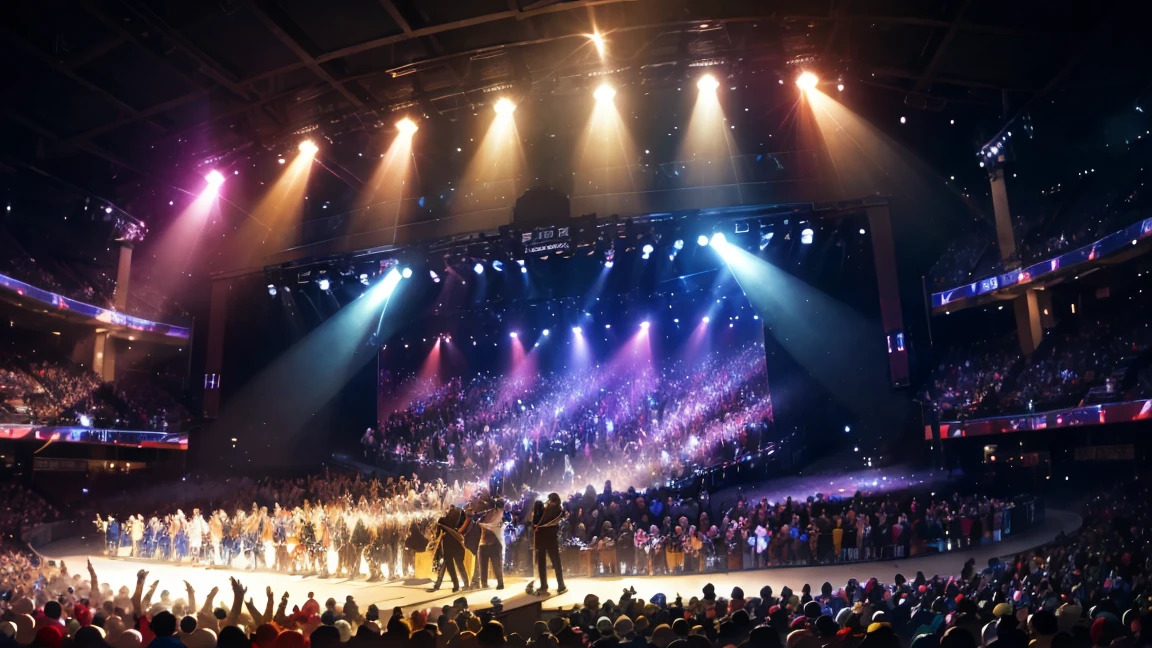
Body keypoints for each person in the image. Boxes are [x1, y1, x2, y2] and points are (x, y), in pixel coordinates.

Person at [533, 493, 566, 596]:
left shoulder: (552, 510)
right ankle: (560, 585)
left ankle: (546, 585)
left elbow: (537, 522)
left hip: (545, 538)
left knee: (547, 562)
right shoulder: (558, 510)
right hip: (550, 538)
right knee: (554, 562)